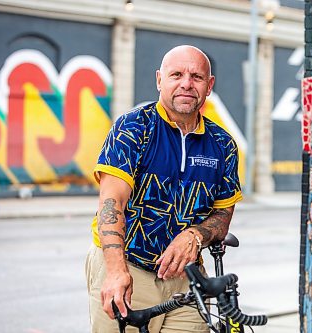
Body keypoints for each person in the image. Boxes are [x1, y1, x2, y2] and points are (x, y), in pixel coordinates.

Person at [85, 45, 242, 333]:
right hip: (129, 268)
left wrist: (194, 235)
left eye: (196, 76)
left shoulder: (223, 145)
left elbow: (222, 215)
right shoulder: (132, 128)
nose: (186, 83)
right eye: (176, 74)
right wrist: (116, 272)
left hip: (187, 278)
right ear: (160, 80)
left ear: (209, 86)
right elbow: (111, 204)